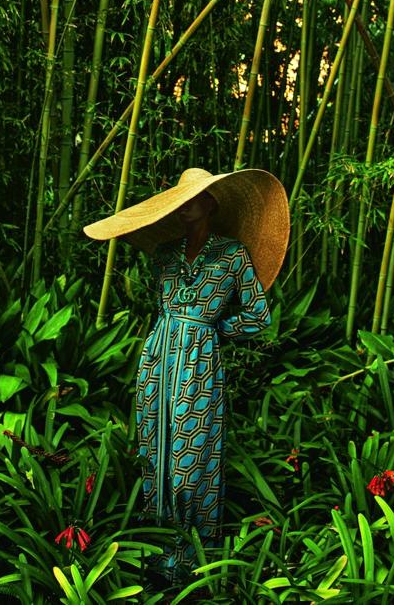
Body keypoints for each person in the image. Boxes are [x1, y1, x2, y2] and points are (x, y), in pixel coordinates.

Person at [83, 167, 290, 588]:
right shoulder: (164, 254)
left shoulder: (233, 255)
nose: (184, 208)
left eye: (192, 200)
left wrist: (210, 329)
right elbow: (160, 309)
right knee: (155, 447)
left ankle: (190, 556)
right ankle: (157, 548)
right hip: (158, 358)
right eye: (180, 201)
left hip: (199, 363)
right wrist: (174, 331)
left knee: (190, 454)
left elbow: (259, 315)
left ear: (211, 204)